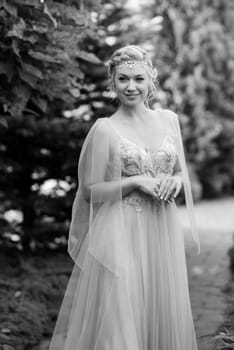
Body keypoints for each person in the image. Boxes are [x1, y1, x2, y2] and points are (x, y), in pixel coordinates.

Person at [49, 45, 200, 350]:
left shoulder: (169, 120)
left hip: (162, 228)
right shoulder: (105, 130)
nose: (131, 86)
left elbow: (183, 173)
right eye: (123, 79)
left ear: (151, 80)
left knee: (160, 303)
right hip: (121, 229)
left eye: (138, 78)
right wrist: (134, 182)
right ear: (112, 82)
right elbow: (90, 191)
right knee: (122, 310)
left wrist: (174, 180)